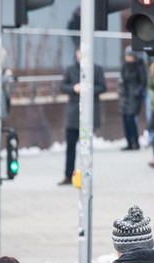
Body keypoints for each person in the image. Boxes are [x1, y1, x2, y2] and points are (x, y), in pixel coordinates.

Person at [60, 49, 106, 185]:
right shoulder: (70, 69)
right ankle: (69, 175)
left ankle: (86, 174)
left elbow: (102, 87)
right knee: (70, 146)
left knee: (86, 147)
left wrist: (88, 88)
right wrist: (74, 88)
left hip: (89, 113)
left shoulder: (97, 69)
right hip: (73, 114)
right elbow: (62, 86)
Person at [119, 47, 149, 151]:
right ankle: (129, 142)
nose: (128, 58)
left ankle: (135, 142)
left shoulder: (139, 66)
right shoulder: (124, 66)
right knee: (125, 119)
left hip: (135, 96)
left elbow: (143, 82)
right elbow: (122, 80)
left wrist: (137, 92)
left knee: (130, 119)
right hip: (125, 96)